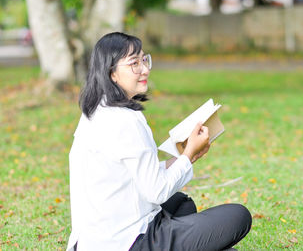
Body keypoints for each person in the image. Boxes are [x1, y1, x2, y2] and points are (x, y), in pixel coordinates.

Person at [66, 32, 252, 251]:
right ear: (112, 74)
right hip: (127, 242)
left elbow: (134, 175)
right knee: (238, 215)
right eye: (134, 63)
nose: (145, 69)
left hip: (90, 242)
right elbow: (156, 191)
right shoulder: (126, 121)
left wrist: (186, 157)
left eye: (144, 59)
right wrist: (188, 155)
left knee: (181, 204)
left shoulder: (95, 111)